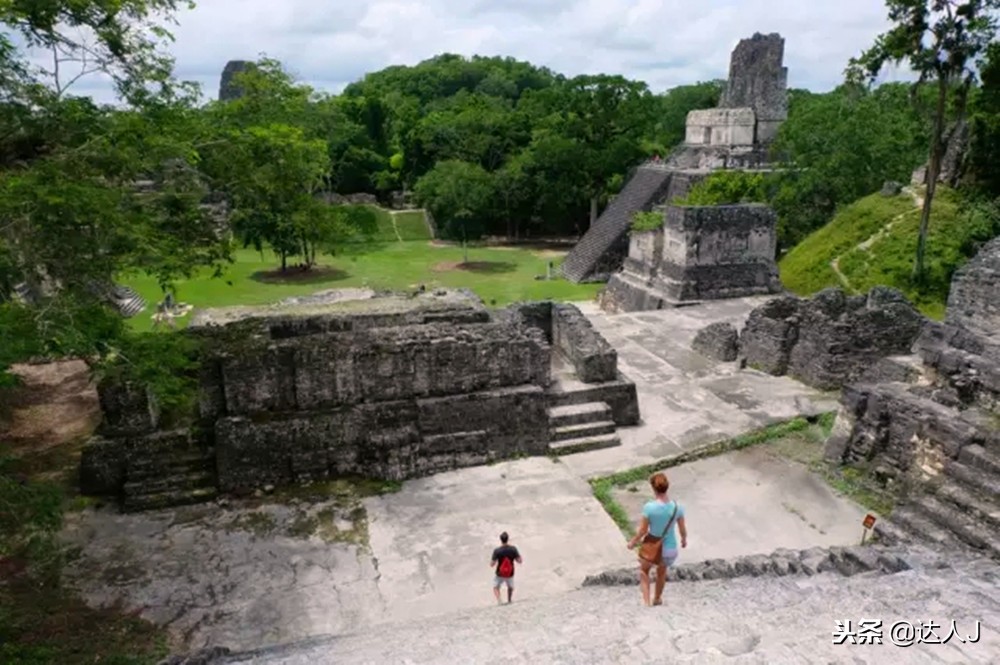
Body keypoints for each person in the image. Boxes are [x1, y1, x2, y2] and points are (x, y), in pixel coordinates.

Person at [626, 472, 687, 606]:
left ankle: (647, 603)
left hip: (652, 547)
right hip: (670, 549)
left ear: (653, 488)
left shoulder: (649, 507)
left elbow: (642, 531)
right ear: (667, 487)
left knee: (644, 571)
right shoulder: (678, 507)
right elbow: (682, 530)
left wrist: (632, 542)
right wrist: (683, 540)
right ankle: (657, 598)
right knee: (661, 573)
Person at [490, 531, 522, 605]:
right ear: (508, 539)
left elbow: (492, 564)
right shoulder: (513, 549)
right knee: (510, 587)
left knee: (495, 587)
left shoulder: (497, 550)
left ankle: (499, 601)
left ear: (500, 540)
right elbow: (519, 561)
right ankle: (509, 600)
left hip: (500, 573)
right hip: (510, 573)